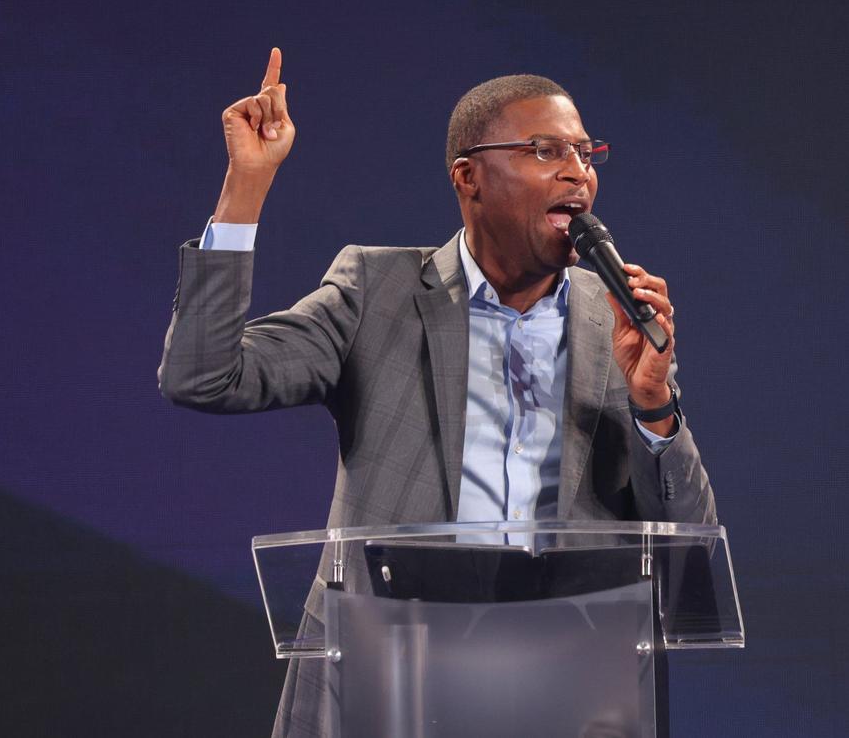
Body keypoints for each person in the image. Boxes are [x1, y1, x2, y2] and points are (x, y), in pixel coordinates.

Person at [158, 48, 715, 738]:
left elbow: (689, 544)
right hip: (393, 671)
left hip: (570, 683)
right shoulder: (377, 291)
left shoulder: (619, 319)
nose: (578, 171)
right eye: (545, 150)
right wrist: (245, 187)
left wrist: (654, 405)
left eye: (585, 152)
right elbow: (203, 375)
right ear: (469, 176)